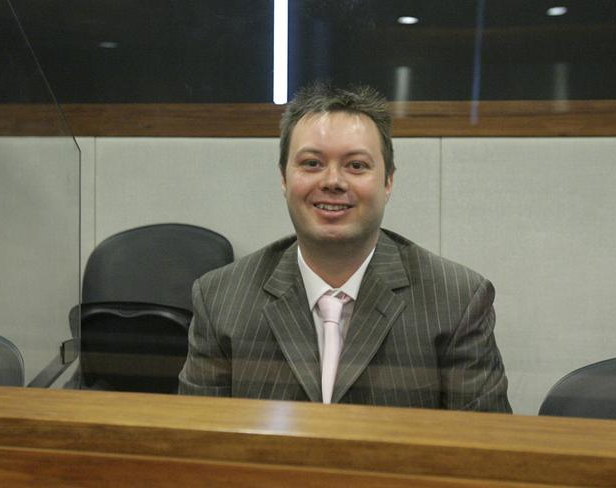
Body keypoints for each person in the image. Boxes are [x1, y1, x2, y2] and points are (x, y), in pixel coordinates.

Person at [178, 83, 511, 412]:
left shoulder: (456, 300)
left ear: (388, 182)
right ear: (283, 178)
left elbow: (486, 452)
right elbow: (194, 448)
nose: (332, 181)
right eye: (311, 163)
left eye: (356, 166)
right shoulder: (220, 299)